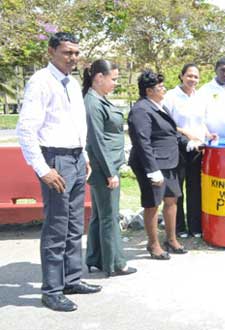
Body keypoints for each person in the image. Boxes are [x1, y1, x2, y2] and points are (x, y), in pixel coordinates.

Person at [16, 32, 101, 312]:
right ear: (51, 52)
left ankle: (71, 278)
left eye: (76, 53)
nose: (73, 58)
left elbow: (76, 124)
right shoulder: (40, 82)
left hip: (76, 159)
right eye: (67, 52)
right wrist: (43, 169)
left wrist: (84, 154)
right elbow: (26, 130)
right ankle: (52, 290)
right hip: (55, 160)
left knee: (75, 225)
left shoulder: (73, 84)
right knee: (56, 227)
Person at [128, 70, 201, 260]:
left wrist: (188, 143)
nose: (164, 89)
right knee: (152, 204)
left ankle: (171, 239)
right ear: (149, 91)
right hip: (153, 164)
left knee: (172, 199)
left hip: (169, 162)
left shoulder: (159, 106)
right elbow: (142, 142)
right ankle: (153, 245)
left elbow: (170, 132)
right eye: (160, 87)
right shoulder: (141, 110)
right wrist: (152, 170)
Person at [83, 59, 136, 277]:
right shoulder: (93, 103)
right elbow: (96, 141)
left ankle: (96, 258)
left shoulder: (99, 99)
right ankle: (115, 263)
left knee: (99, 215)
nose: (115, 83)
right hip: (104, 169)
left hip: (104, 168)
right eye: (113, 79)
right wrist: (110, 172)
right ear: (99, 78)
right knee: (110, 217)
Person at [164, 64, 215, 238]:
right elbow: (167, 124)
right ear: (181, 76)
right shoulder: (171, 96)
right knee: (177, 189)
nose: (192, 79)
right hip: (178, 147)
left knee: (195, 188)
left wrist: (208, 134)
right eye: (189, 76)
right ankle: (179, 227)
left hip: (197, 149)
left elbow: (202, 122)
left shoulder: (200, 97)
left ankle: (195, 226)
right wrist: (186, 133)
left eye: (195, 77)